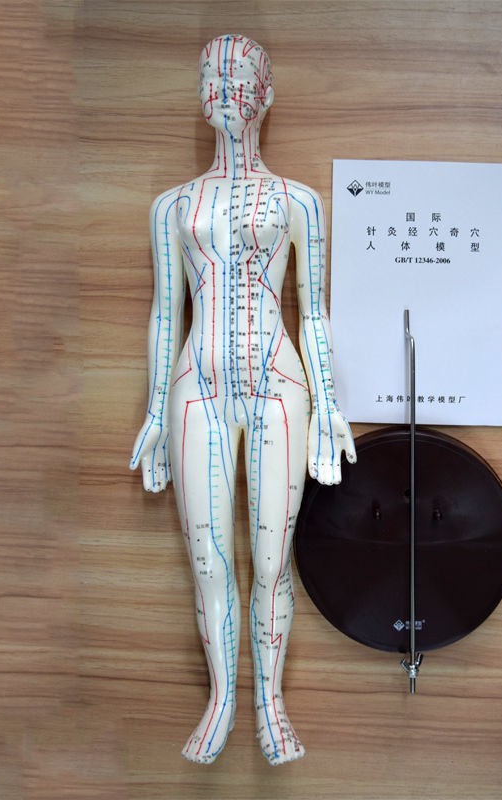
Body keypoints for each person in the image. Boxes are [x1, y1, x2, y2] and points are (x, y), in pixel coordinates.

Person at [130, 33, 355, 765]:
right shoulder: (171, 207)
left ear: (267, 94)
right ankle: (224, 697)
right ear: (199, 94)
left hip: (277, 388)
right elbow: (166, 312)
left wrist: (330, 405)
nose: (225, 86)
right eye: (212, 75)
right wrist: (155, 412)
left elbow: (313, 311)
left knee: (271, 558)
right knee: (207, 559)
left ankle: (271, 702)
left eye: (241, 76)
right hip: (197, 390)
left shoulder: (300, 201)